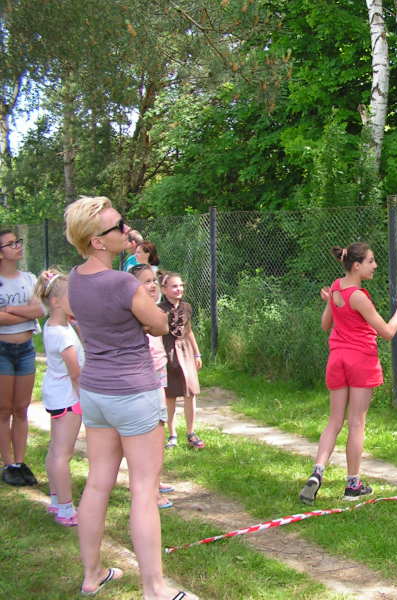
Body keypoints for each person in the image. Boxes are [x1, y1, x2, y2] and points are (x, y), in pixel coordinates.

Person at [64, 196, 194, 600]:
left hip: (96, 392)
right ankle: (154, 588)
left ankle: (92, 575)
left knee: (97, 484)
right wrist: (151, 310)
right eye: (117, 226)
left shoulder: (74, 278)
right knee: (143, 489)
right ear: (97, 241)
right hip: (134, 392)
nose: (126, 230)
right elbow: (160, 325)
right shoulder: (123, 283)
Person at [299, 242, 397, 504]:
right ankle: (353, 485)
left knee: (334, 421)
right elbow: (388, 332)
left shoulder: (336, 287)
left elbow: (325, 324)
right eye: (371, 261)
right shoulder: (359, 296)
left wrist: (330, 302)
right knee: (357, 423)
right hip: (360, 361)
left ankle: (317, 472)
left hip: (337, 360)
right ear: (357, 265)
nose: (375, 266)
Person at [34, 268, 84, 526]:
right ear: (55, 302)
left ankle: (56, 500)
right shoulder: (62, 335)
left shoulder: (54, 326)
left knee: (55, 449)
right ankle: (65, 507)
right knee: (63, 454)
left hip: (57, 395)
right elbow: (75, 373)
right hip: (68, 398)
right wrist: (85, 399)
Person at [0, 229, 45, 487]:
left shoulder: (29, 278)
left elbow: (39, 309)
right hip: (2, 351)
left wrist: (9, 309)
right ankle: (8, 464)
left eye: (18, 241)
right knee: (4, 409)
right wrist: (24, 312)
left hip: (26, 349)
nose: (18, 246)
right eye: (11, 244)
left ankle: (20, 461)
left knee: (21, 408)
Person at [131, 264, 175, 510]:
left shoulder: (154, 309)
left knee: (159, 427)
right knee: (150, 435)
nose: (152, 285)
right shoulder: (137, 313)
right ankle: (151, 490)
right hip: (144, 380)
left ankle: (155, 481)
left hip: (158, 375)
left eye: (154, 281)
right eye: (146, 281)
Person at [158, 272, 204, 450]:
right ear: (164, 290)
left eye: (181, 286)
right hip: (168, 352)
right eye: (174, 286)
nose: (179, 289)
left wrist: (197, 353)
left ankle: (191, 433)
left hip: (186, 352)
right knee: (170, 395)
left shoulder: (186, 307)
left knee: (190, 392)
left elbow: (188, 330)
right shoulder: (159, 309)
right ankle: (172, 434)